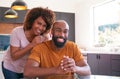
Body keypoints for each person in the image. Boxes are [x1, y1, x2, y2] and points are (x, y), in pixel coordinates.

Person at [24, 20, 91, 79]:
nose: (62, 35)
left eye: (65, 31)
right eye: (58, 30)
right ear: (51, 32)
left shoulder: (72, 46)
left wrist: (75, 68)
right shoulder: (40, 48)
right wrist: (56, 70)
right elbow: (27, 72)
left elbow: (87, 70)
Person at [2, 7, 55, 79]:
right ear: (32, 21)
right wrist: (32, 44)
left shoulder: (44, 37)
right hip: (11, 68)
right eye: (39, 23)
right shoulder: (17, 32)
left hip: (27, 69)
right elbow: (14, 56)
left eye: (44, 25)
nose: (41, 28)